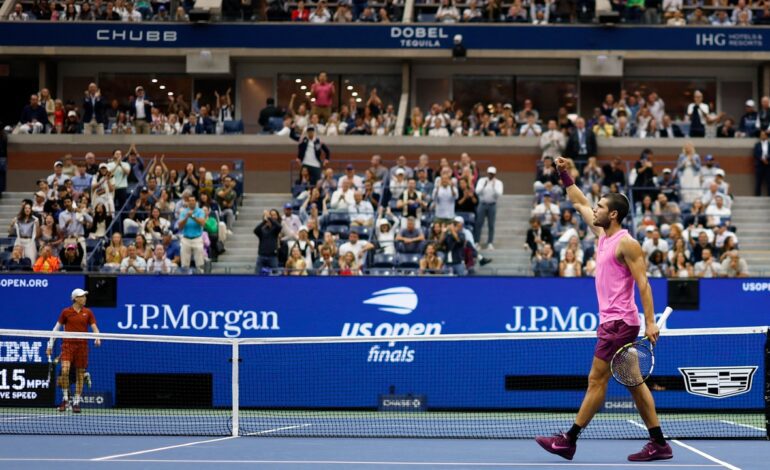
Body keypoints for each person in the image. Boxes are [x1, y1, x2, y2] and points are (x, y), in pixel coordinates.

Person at [536, 157, 672, 462]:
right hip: (614, 322)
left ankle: (568, 440)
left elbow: (644, 284)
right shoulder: (601, 235)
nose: (593, 209)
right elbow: (579, 200)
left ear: (613, 214)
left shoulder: (628, 244)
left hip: (620, 323)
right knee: (635, 384)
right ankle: (659, 443)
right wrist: (565, 174)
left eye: (600, 207)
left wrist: (650, 322)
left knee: (596, 381)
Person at [46, 289, 101, 413]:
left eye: (85, 296)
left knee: (80, 375)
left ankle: (76, 402)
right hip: (68, 346)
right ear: (76, 298)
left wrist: (97, 337)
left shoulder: (88, 312)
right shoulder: (66, 312)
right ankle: (65, 399)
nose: (85, 298)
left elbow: (95, 328)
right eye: (82, 296)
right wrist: (49, 345)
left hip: (82, 346)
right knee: (64, 370)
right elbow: (56, 329)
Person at [475, 166, 503, 250]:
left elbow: (499, 194)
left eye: (492, 174)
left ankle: (490, 242)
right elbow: (477, 191)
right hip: (482, 204)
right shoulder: (482, 181)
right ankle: (477, 242)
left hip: (492, 205)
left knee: (491, 225)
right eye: (489, 173)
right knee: (479, 223)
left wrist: (494, 186)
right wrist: (484, 186)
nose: (490, 175)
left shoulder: (498, 182)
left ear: (494, 174)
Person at [177, 194, 206, 273]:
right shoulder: (183, 212)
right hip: (186, 239)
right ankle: (185, 281)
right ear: (187, 202)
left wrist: (192, 216)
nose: (191, 202)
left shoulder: (200, 211)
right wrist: (186, 217)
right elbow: (180, 226)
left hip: (197, 238)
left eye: (193, 200)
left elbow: (202, 223)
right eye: (190, 201)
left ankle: (201, 279)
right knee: (184, 265)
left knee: (200, 265)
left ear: (196, 202)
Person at [254, 209, 282, 275]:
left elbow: (279, 227)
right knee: (257, 276)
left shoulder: (275, 229)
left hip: (273, 256)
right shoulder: (262, 229)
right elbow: (255, 230)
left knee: (275, 276)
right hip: (261, 256)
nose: (269, 221)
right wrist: (264, 221)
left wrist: (269, 217)